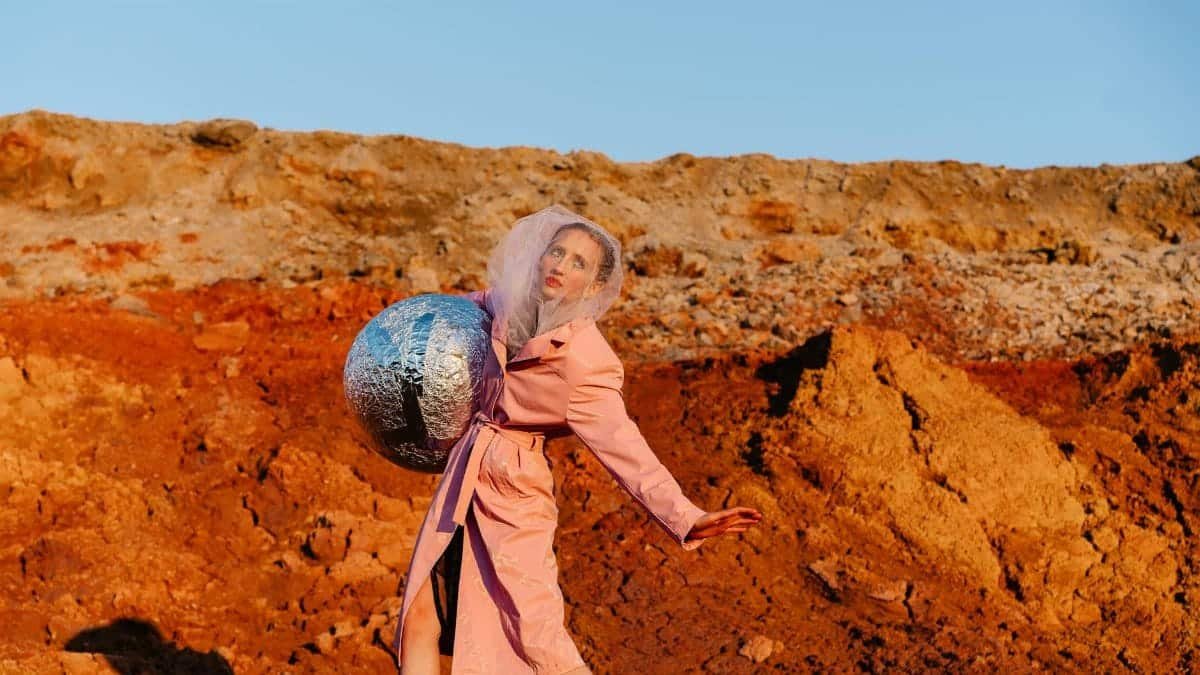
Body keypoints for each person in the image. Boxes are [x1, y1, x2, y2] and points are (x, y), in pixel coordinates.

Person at [394, 205, 763, 674]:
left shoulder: (587, 363)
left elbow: (626, 449)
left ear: (591, 287)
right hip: (464, 474)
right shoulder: (507, 304)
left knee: (536, 635)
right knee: (421, 614)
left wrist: (688, 517)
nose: (560, 266)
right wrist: (399, 330)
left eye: (578, 263)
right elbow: (457, 312)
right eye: (556, 252)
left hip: (514, 493)